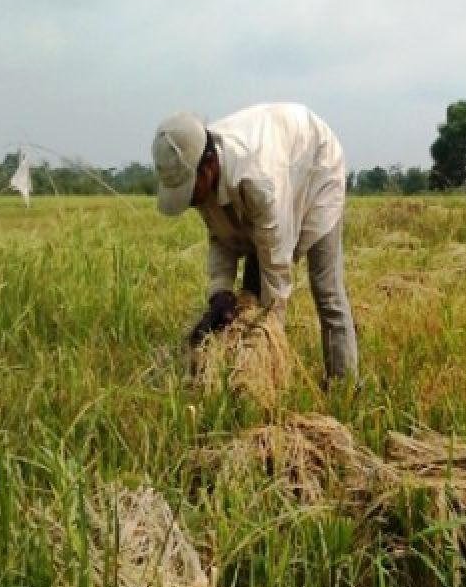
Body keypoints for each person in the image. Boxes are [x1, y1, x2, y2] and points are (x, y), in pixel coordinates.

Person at [151, 103, 357, 380]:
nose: (190, 199)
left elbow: (276, 265)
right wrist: (220, 293)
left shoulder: (260, 180)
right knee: (247, 296)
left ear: (209, 166)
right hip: (277, 165)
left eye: (189, 187)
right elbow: (220, 237)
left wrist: (267, 339)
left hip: (316, 165)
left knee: (326, 289)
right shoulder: (200, 176)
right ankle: (238, 374)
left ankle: (344, 384)